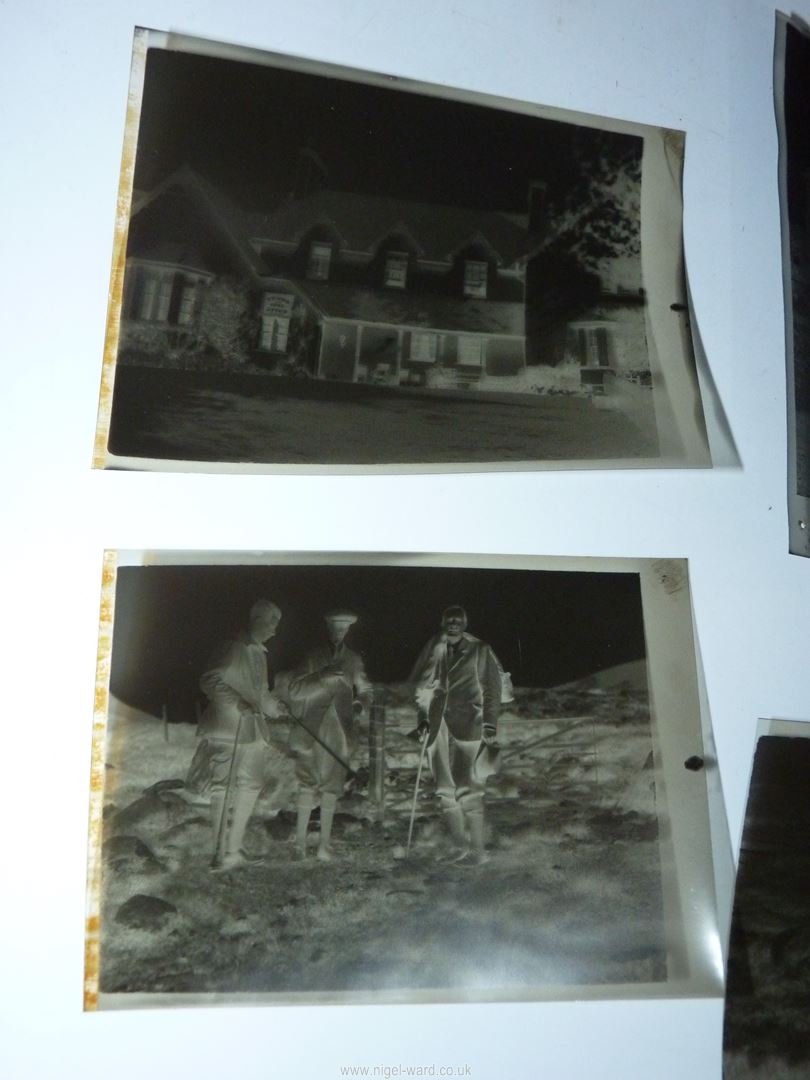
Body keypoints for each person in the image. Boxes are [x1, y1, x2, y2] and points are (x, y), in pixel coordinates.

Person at [199, 599, 288, 870]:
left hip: (254, 731)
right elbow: (209, 680)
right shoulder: (232, 646)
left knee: (251, 784)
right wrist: (236, 702)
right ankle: (218, 852)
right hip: (229, 729)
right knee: (222, 789)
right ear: (257, 619)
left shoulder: (260, 653)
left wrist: (276, 707)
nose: (275, 628)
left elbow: (260, 694)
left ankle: (235, 847)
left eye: (277, 623)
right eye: (272, 621)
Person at [410, 605, 502, 866]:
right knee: (444, 791)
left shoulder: (480, 650)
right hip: (437, 729)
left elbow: (491, 691)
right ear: (443, 623)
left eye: (458, 620)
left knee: (468, 788)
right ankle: (460, 848)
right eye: (449, 620)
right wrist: (423, 719)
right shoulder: (436, 652)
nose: (453, 624)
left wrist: (490, 725)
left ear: (465, 624)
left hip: (468, 728)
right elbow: (423, 693)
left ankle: (478, 852)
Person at [286, 609, 373, 861]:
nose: (339, 632)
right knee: (306, 783)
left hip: (340, 732)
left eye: (344, 629)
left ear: (348, 631)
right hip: (310, 729)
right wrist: (320, 677)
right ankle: (299, 846)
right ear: (327, 627)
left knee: (332, 786)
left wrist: (359, 704)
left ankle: (325, 845)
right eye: (335, 627)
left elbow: (366, 689)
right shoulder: (312, 656)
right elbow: (294, 690)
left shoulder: (354, 660)